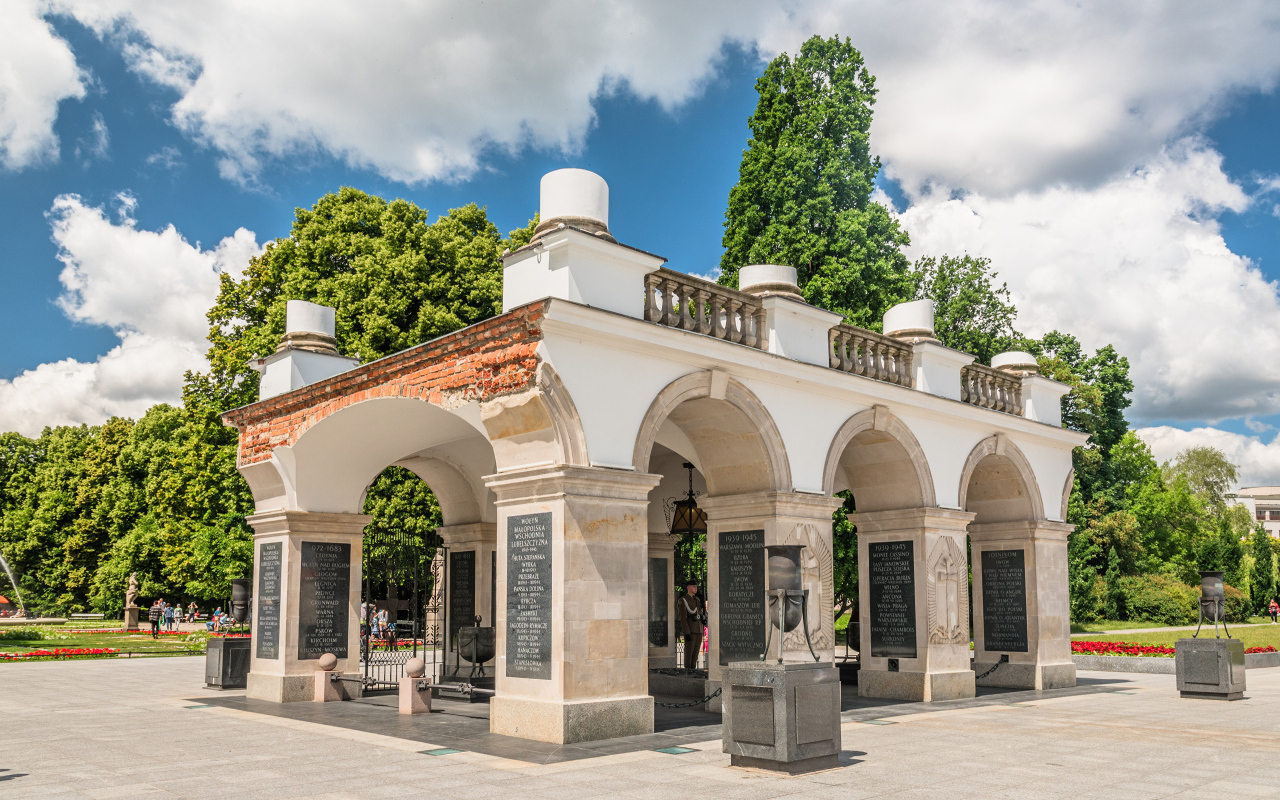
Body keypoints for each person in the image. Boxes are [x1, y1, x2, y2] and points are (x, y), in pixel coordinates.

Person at [675, 581, 706, 670]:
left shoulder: (697, 600)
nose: (696, 588)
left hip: (699, 629)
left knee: (695, 652)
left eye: (696, 587)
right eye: (693, 587)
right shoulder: (683, 600)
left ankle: (693, 668)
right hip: (691, 630)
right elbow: (683, 618)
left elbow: (699, 613)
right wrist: (686, 632)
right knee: (689, 652)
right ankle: (688, 669)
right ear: (688, 587)